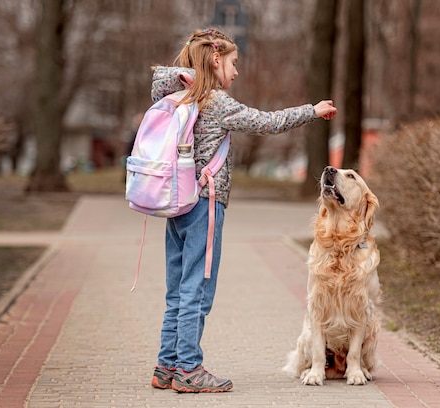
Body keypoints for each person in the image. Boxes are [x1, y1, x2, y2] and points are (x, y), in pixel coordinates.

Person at [150, 27, 337, 393]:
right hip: (204, 204)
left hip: (175, 203)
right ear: (216, 59)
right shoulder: (216, 102)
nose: (236, 72)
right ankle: (189, 368)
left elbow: (159, 81)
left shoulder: (178, 95)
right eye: (233, 63)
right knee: (197, 289)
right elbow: (266, 122)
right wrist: (311, 111)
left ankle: (167, 366)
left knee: (177, 289)